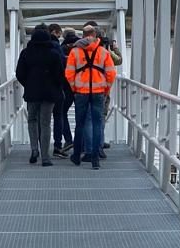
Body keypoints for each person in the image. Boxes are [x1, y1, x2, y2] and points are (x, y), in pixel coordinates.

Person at [65, 22, 117, 169]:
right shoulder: (103, 52)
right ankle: (95, 158)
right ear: (95, 36)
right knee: (97, 123)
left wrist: (74, 87)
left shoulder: (75, 52)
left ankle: (76, 155)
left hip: (81, 92)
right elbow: (111, 74)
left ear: (83, 35)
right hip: (98, 92)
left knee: (80, 124)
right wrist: (106, 89)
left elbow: (68, 73)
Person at [15, 23, 68, 166]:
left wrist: (28, 84)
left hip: (32, 93)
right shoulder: (54, 54)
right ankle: (45, 157)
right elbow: (60, 75)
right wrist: (56, 86)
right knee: (45, 123)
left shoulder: (26, 53)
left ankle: (34, 149)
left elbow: (19, 73)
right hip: (49, 94)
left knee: (32, 120)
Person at [48, 23, 73, 156]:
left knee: (48, 118)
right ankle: (86, 144)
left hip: (56, 87)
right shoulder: (83, 47)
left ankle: (41, 148)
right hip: (80, 86)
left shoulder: (59, 47)